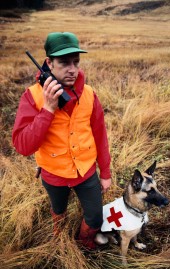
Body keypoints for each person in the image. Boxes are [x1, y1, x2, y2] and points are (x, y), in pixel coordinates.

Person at [12, 32, 111, 249]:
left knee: (95, 217)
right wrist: (47, 109)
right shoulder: (32, 96)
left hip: (85, 171)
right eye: (64, 62)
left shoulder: (90, 95)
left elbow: (100, 135)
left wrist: (105, 173)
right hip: (53, 173)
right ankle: (60, 237)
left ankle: (84, 243)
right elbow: (22, 146)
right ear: (49, 63)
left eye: (76, 62)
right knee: (59, 211)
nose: (72, 69)